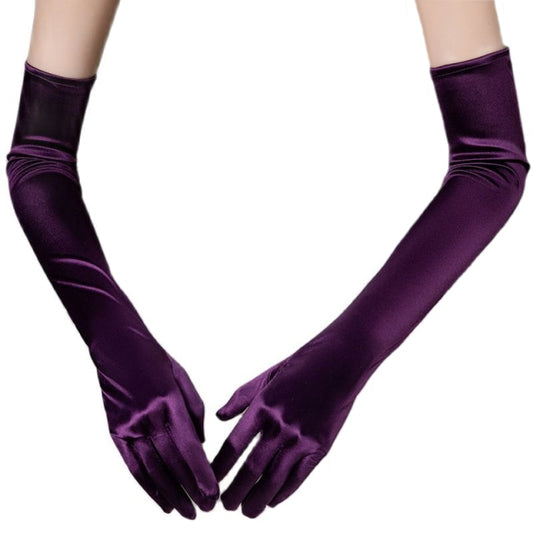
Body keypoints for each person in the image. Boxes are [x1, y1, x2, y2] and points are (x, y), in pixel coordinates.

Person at [5, 0, 529, 521]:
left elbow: (491, 160)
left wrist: (349, 352)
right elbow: (39, 156)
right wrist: (112, 337)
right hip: (115, 430)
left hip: (397, 425)